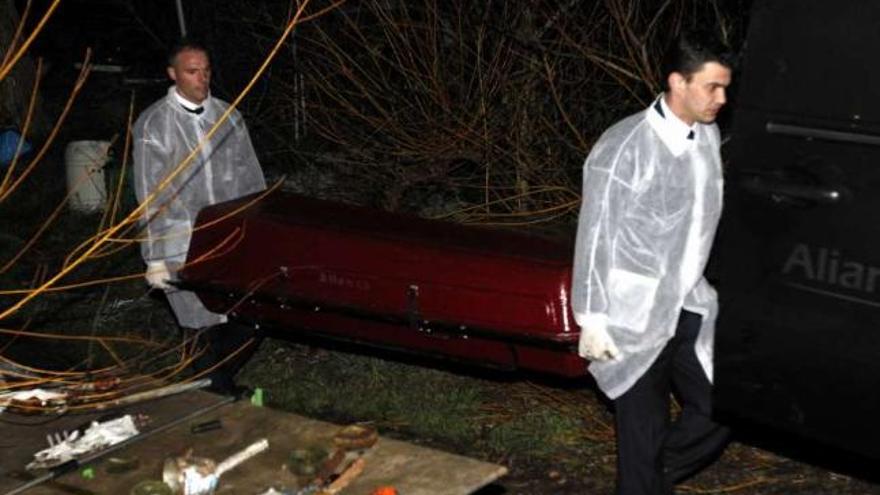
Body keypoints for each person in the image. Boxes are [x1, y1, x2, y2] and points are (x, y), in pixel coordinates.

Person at [570, 29, 734, 495]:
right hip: (631, 317)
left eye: (726, 87)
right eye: (712, 87)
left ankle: (650, 480)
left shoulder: (707, 135)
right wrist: (593, 318)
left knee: (724, 406)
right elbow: (594, 237)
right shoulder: (623, 148)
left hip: (687, 306)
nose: (722, 98)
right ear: (677, 82)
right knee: (642, 437)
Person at [132, 39, 267, 394]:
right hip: (179, 241)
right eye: (192, 71)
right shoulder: (154, 125)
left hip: (228, 238)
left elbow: (251, 178)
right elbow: (150, 194)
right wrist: (154, 257)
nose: (202, 79)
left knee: (248, 320)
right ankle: (218, 392)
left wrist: (260, 231)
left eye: (206, 71)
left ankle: (207, 385)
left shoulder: (228, 116)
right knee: (199, 322)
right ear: (173, 74)